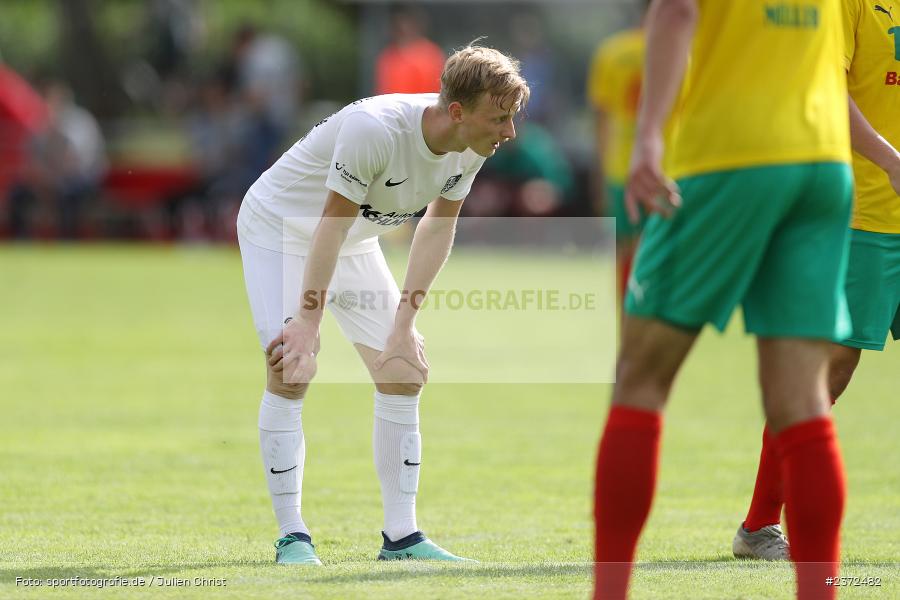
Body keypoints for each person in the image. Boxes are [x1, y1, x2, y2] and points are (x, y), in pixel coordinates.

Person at [593, 2, 852, 599]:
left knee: (639, 378)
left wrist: (649, 138)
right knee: (802, 401)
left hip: (729, 154)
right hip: (822, 161)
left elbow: (679, 8)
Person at [237, 44, 528, 565]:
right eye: (500, 118)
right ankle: (292, 537)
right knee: (292, 367)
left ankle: (402, 538)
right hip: (280, 229)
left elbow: (438, 228)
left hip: (350, 239)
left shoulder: (471, 145)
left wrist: (404, 326)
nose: (509, 132)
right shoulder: (376, 129)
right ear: (458, 111)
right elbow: (330, 223)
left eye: (511, 118)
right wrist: (307, 320)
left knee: (403, 371)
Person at [733, 0, 900, 561]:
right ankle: (759, 527)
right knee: (826, 371)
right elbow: (826, 88)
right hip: (864, 217)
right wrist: (891, 161)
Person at [587, 3, 647, 301]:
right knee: (661, 252)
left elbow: (601, 120)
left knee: (625, 252)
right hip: (671, 169)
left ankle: (627, 327)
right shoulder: (687, 51)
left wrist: (599, 179)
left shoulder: (612, 52)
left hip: (621, 171)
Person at [374, 4, 445, 95]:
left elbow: (437, 92)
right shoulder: (387, 56)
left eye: (406, 22)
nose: (403, 28)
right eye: (397, 24)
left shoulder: (431, 55)